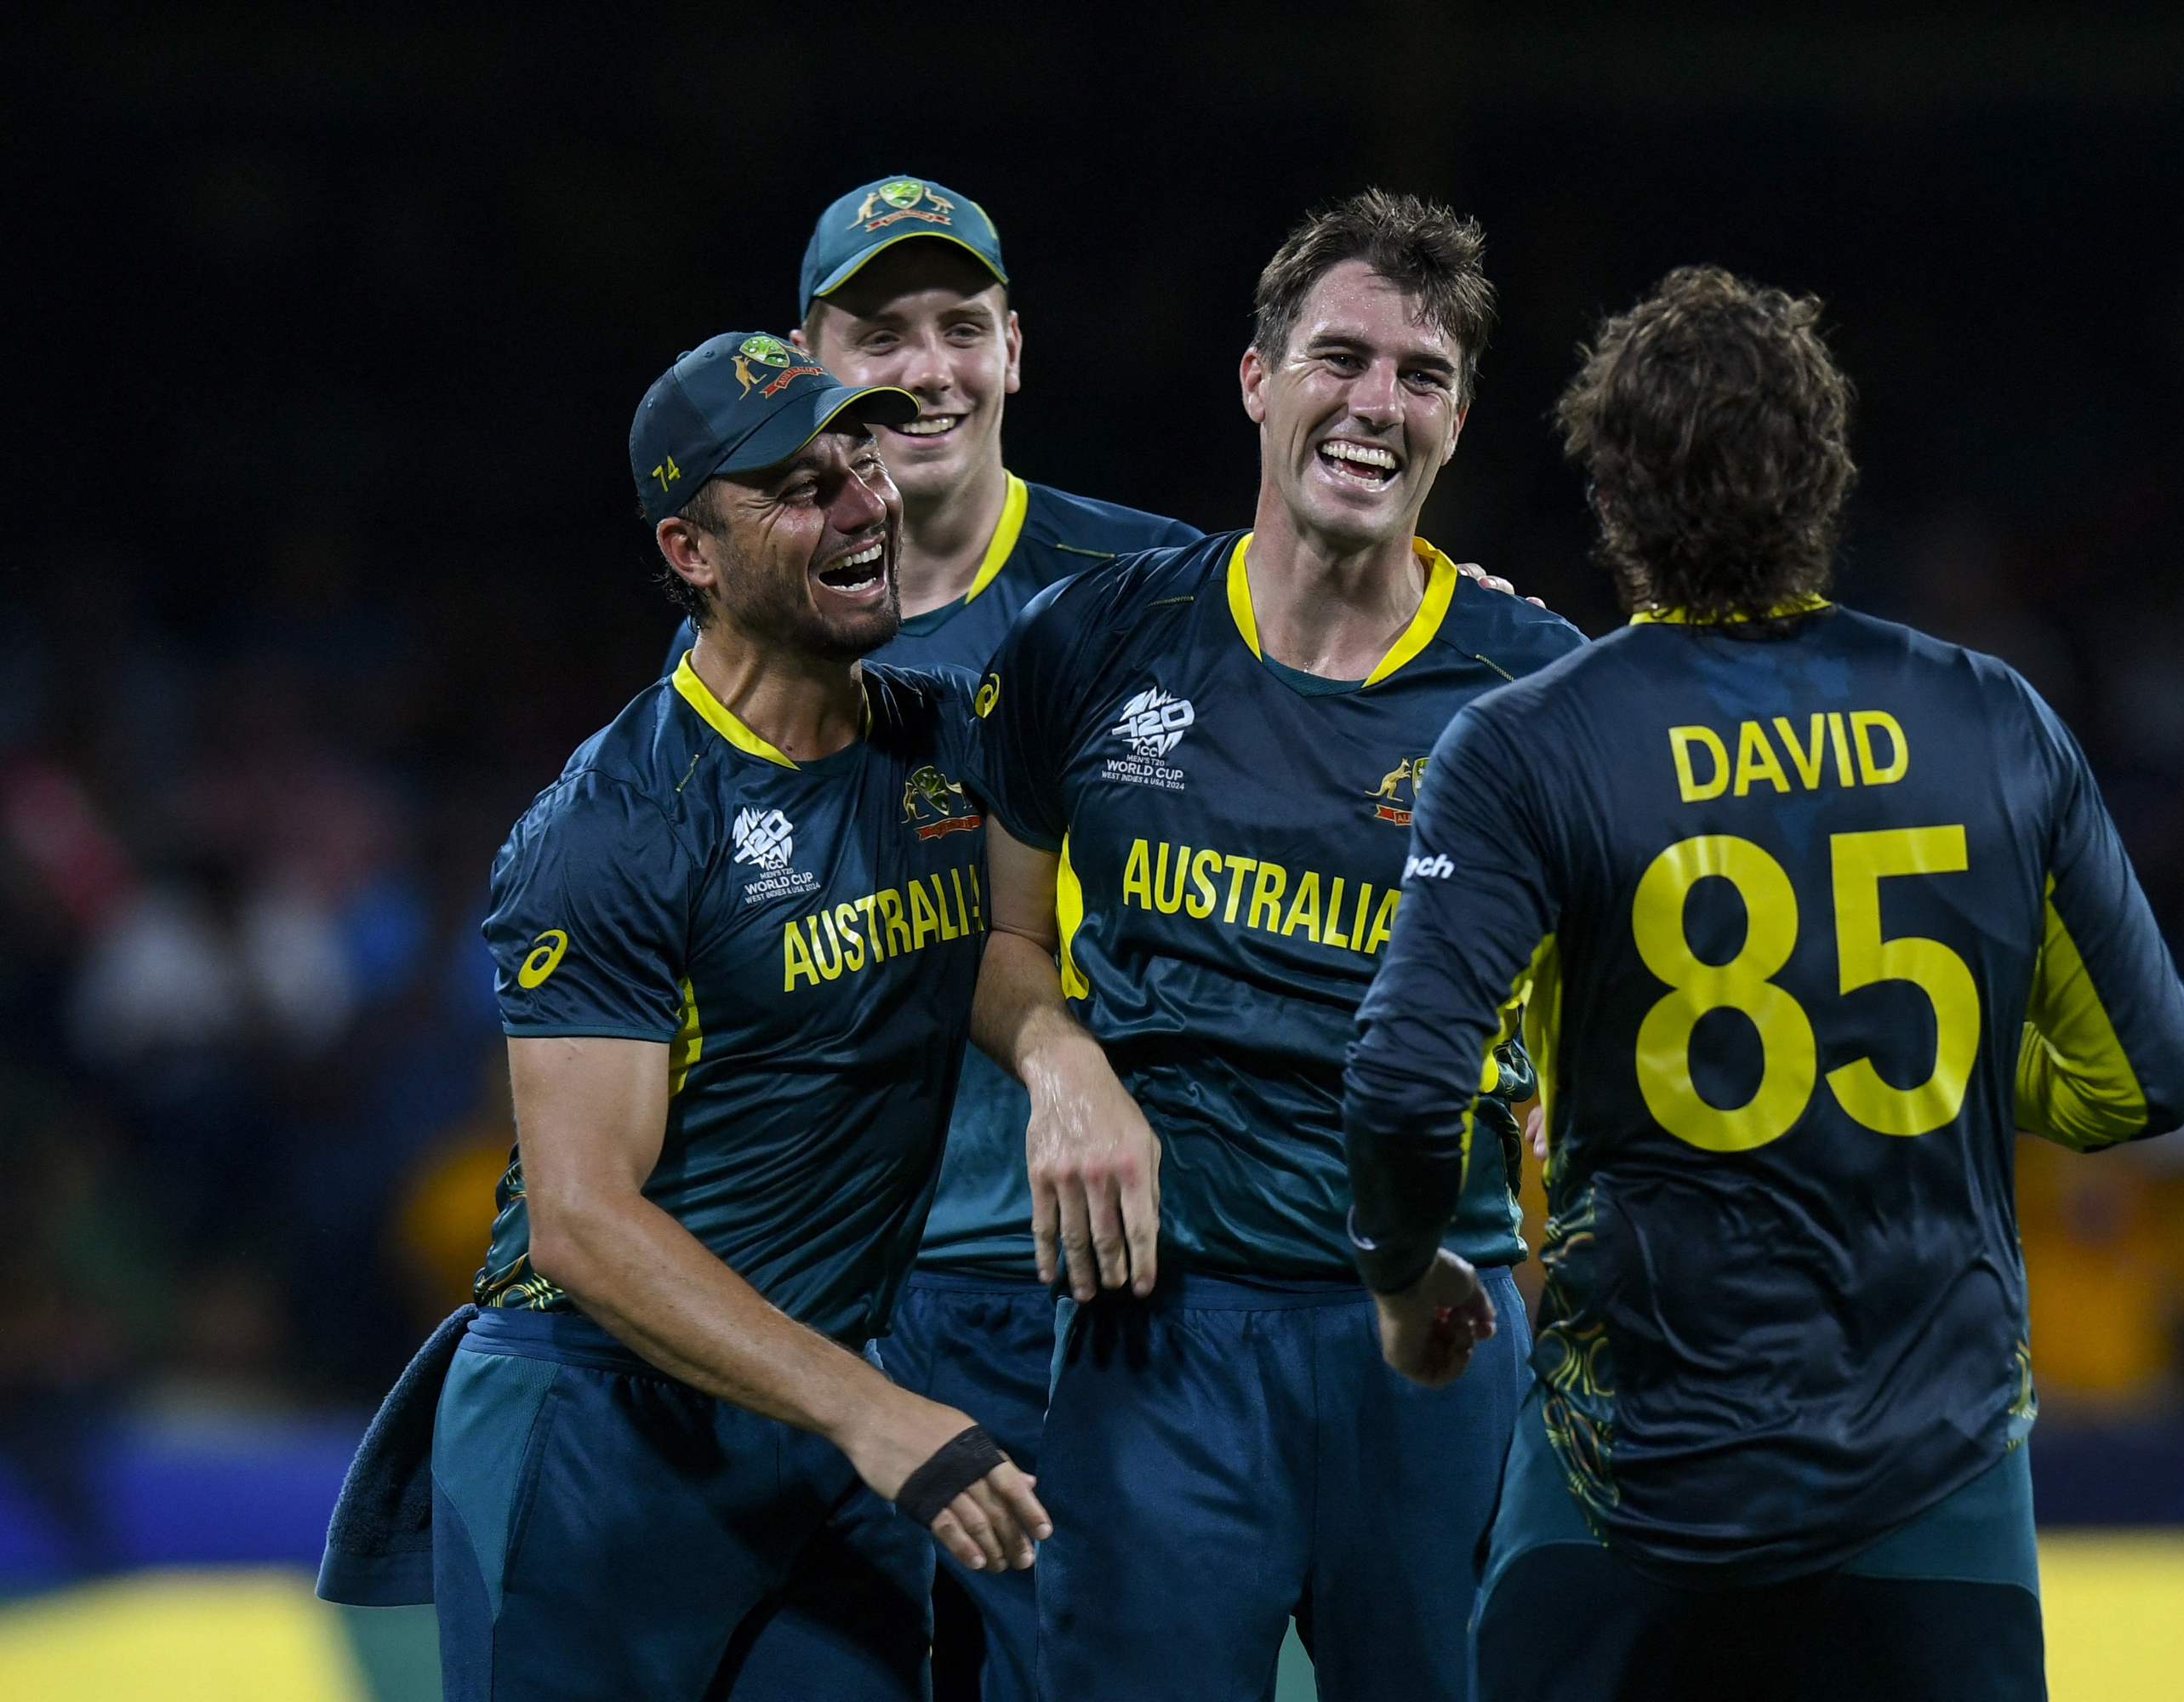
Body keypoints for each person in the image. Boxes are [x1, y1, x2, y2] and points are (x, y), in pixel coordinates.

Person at [1341, 266, 2184, 1700]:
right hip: (1936, 1494)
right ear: (1826, 477)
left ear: (1609, 492)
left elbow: (1402, 1084)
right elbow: (2153, 1073)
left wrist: (1399, 1278)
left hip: (1633, 1491)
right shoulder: (1994, 720)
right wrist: (1941, 1077)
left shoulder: (1528, 746)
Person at [967, 189, 1584, 1701]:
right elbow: (997, 934)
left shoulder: (1540, 690)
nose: (1377, 405)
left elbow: (1607, 1040)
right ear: (1257, 377)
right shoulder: (1094, 643)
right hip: (1157, 1336)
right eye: (1340, 357)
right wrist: (1061, 1062)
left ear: (1457, 419)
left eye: (1421, 377)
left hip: (1438, 1334)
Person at [430, 333, 1046, 1701]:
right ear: (691, 551)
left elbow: (1044, 918)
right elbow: (583, 1221)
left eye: (863, 459)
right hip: (602, 1427)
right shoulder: (613, 826)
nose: (864, 502)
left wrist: (1423, 587)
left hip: (826, 1432)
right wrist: (873, 1411)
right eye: (798, 485)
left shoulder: (950, 748)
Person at [667, 173, 1201, 1699]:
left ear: (1017, 350)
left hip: (1083, 1303)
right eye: (877, 332)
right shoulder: (756, 623)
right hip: (832, 1310)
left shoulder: (1160, 592)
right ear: (804, 359)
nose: (926, 368)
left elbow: (1369, 672)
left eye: (961, 327)